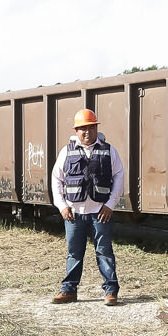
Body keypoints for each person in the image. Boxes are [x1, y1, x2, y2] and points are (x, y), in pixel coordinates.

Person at [49, 108, 126, 305]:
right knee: (74, 252)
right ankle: (69, 290)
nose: (86, 132)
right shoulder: (66, 151)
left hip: (100, 213)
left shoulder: (109, 150)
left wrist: (110, 204)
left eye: (90, 128)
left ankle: (111, 291)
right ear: (76, 131)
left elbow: (119, 176)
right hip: (74, 214)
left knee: (104, 251)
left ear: (95, 128)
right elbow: (56, 179)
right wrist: (62, 206)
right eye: (82, 128)